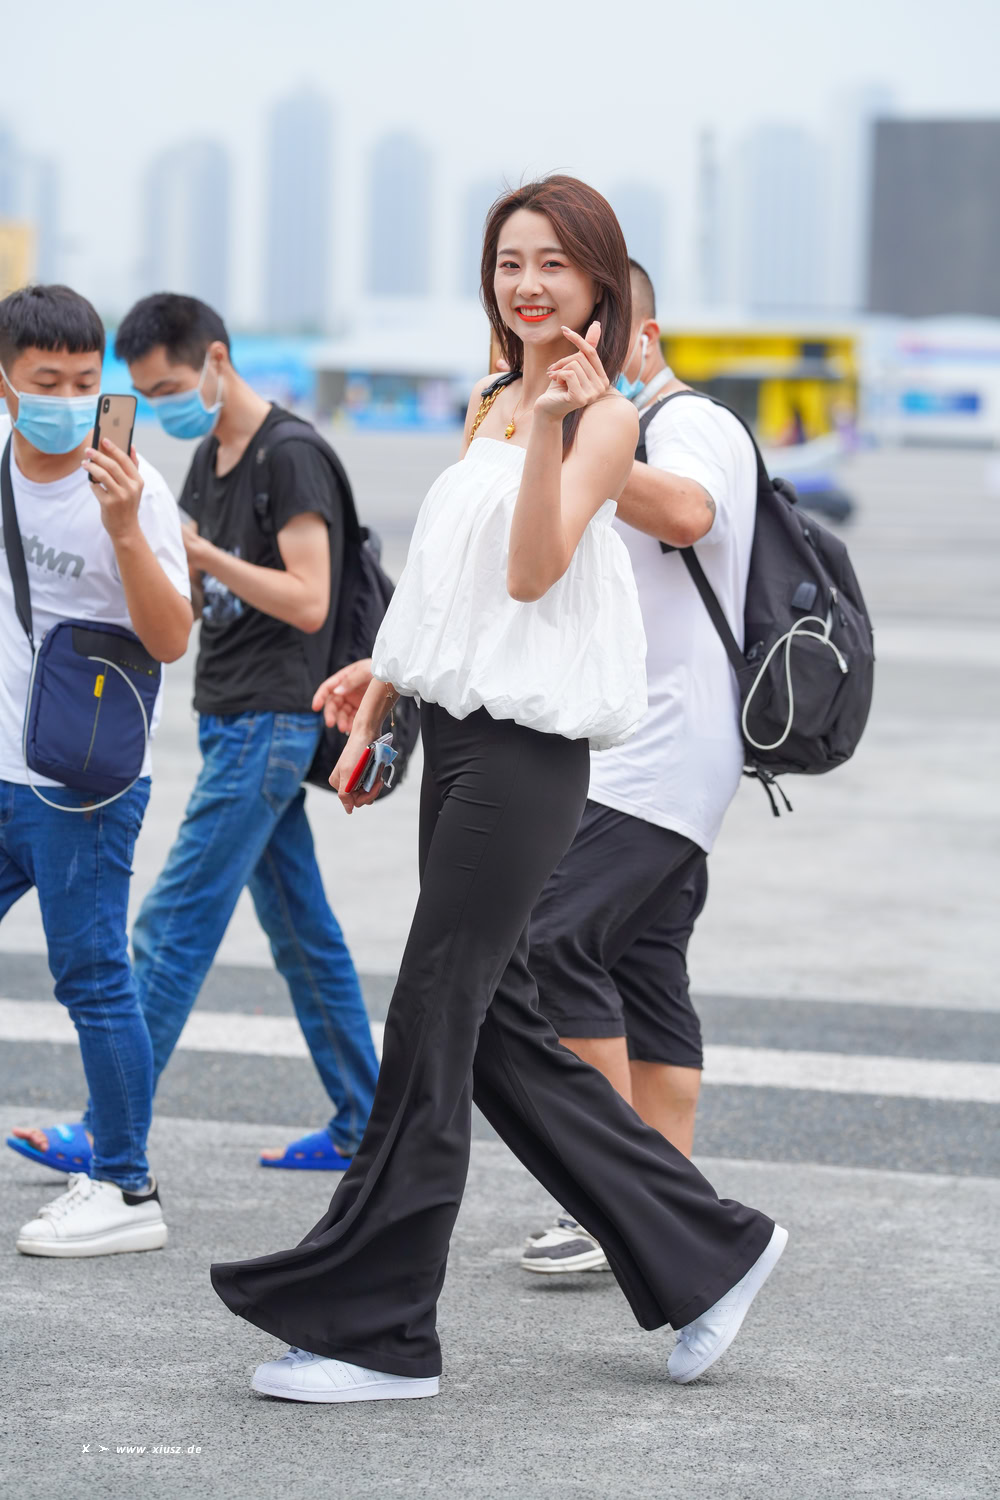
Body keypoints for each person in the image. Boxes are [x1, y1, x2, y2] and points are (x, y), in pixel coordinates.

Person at [208, 176, 786, 1405]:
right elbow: (448, 578)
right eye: (509, 262)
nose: (527, 285)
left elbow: (532, 572)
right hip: (458, 737)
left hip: (528, 759)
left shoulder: (608, 421)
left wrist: (557, 429)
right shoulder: (486, 398)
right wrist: (381, 685)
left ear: (598, 284)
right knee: (502, 1033)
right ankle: (710, 1252)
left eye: (553, 265)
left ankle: (379, 1333)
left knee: (432, 1016)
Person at [8, 294, 379, 1177]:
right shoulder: (213, 455)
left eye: (168, 388)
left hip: (271, 722)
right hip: (233, 716)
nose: (158, 406)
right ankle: (365, 1121)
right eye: (143, 394)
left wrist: (199, 554)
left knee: (171, 927)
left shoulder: (288, 455)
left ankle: (107, 1137)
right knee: (303, 934)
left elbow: (311, 600)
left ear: (215, 360)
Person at [520, 257, 758, 1274]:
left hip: (662, 752)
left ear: (642, 339)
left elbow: (690, 514)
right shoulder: (606, 425)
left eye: (595, 335)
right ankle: (674, 1205)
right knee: (645, 973)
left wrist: (590, 429)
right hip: (632, 748)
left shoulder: (686, 420)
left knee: (550, 941)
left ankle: (613, 1200)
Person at [0, 284, 192, 1255]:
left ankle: (124, 1186)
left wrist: (120, 528)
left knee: (93, 979)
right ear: (5, 383)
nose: (70, 401)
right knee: (96, 977)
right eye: (48, 382)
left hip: (80, 784)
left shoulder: (133, 489)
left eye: (86, 382)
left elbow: (170, 638)